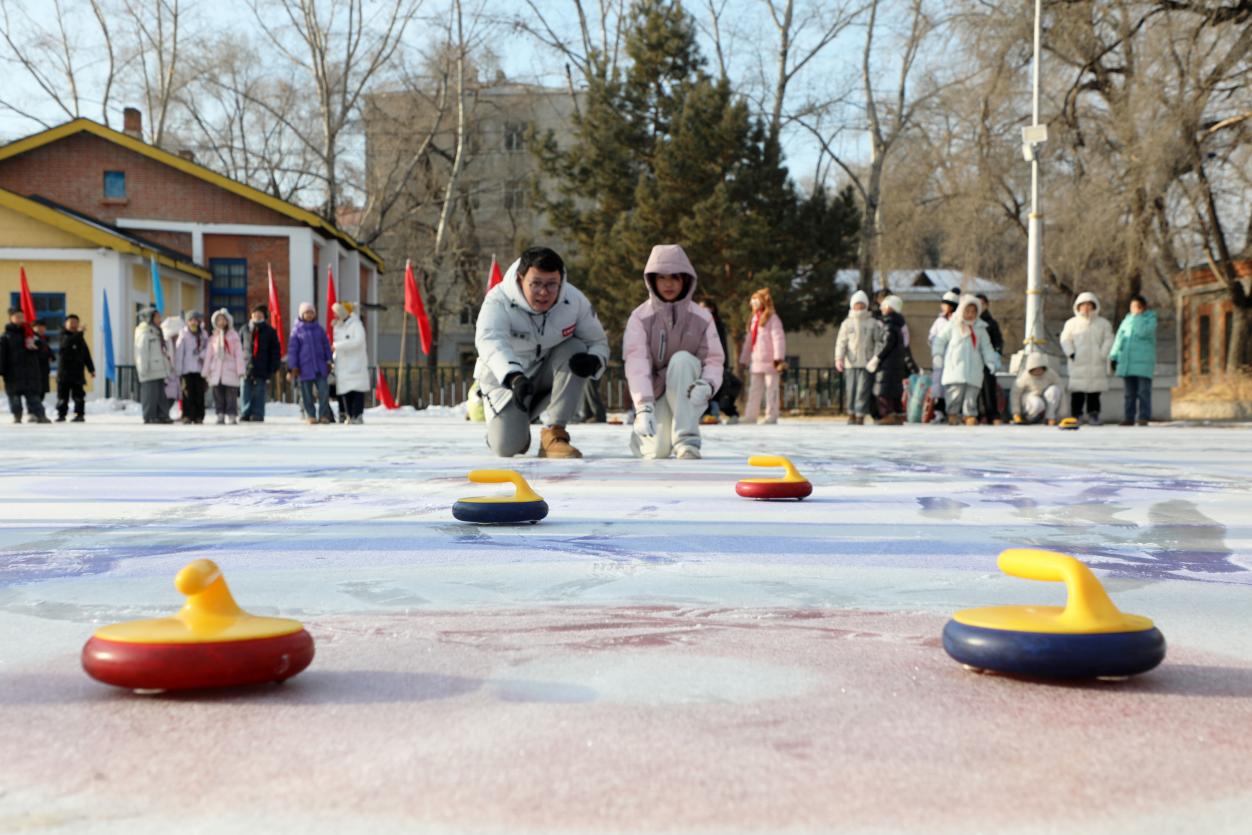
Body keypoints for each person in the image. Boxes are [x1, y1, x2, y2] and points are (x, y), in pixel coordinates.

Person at [474, 246, 609, 458]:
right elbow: (490, 342)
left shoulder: (574, 301)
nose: (544, 292)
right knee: (506, 448)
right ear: (520, 278)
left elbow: (597, 341)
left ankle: (554, 433)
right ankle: (514, 429)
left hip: (547, 375)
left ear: (561, 280)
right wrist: (514, 376)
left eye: (551, 285)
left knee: (576, 349)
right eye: (536, 284)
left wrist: (595, 361)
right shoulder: (497, 300)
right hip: (508, 382)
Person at [623, 244, 724, 459]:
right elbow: (636, 363)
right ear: (652, 280)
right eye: (662, 278)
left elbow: (714, 360)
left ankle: (687, 442)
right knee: (657, 451)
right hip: (656, 393)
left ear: (685, 280)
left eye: (675, 277)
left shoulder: (702, 317)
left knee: (682, 360)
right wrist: (643, 407)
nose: (668, 284)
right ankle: (642, 439)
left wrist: (708, 384)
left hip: (688, 390)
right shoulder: (640, 318)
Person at [932, 294, 1000, 426]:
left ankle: (970, 415)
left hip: (974, 368)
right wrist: (937, 355)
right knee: (955, 393)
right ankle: (952, 413)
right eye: (967, 311)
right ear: (961, 311)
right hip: (955, 366)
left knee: (972, 394)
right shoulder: (953, 325)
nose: (970, 315)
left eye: (973, 312)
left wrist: (990, 360)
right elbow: (939, 340)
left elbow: (986, 347)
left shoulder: (980, 329)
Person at [1059, 291, 1114, 425]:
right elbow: (1065, 339)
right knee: (1077, 392)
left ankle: (1093, 414)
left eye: (1089, 305)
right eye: (1083, 305)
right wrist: (1071, 353)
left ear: (1095, 306)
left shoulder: (1103, 323)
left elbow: (1109, 338)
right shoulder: (1071, 323)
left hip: (1097, 362)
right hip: (1078, 362)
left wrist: (1103, 353)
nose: (1086, 308)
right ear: (1077, 307)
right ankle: (1076, 415)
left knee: (1094, 392)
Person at [739, 288, 787, 424]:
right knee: (754, 390)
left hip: (771, 361)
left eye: (756, 301)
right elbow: (749, 342)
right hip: (756, 361)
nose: (753, 304)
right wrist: (744, 359)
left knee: (772, 389)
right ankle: (750, 415)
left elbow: (779, 339)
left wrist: (778, 358)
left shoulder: (772, 318)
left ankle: (771, 416)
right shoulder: (754, 320)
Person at [835, 290, 884, 425]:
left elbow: (878, 342)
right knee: (850, 390)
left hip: (866, 363)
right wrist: (839, 358)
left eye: (862, 304)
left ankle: (860, 414)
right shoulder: (847, 324)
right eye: (857, 304)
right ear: (852, 305)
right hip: (850, 363)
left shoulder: (873, 323)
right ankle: (851, 413)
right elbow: (841, 342)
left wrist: (875, 358)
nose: (860, 307)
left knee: (862, 390)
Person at [1110, 293, 1158, 426]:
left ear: (1142, 308)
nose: (1132, 309)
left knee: (1143, 392)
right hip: (1128, 362)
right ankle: (1128, 417)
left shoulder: (1150, 320)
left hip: (1143, 363)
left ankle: (1143, 416)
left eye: (1135, 306)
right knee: (1129, 393)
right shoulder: (1126, 321)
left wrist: (1137, 318)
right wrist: (1113, 356)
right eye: (1131, 306)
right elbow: (1119, 339)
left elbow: (1143, 332)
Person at [869, 294, 914, 425]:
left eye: (884, 306)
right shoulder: (898, 325)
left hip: (887, 365)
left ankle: (887, 415)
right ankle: (897, 414)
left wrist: (877, 358)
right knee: (893, 391)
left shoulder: (889, 325)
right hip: (894, 365)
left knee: (883, 392)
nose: (881, 308)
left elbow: (887, 344)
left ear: (890, 307)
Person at [1, 308, 50, 423]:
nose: (20, 319)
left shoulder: (30, 334)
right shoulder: (6, 337)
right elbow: (2, 355)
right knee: (14, 399)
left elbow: (42, 350)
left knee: (34, 398)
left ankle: (40, 416)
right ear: (11, 318)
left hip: (30, 373)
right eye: (17, 316)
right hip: (13, 374)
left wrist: (36, 343)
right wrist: (2, 370)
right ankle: (17, 416)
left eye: (22, 317)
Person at [288, 302, 334, 425]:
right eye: (306, 313)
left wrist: (329, 360)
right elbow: (293, 350)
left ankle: (324, 415)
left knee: (324, 391)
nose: (309, 315)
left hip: (320, 366)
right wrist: (293, 367)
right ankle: (310, 415)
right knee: (306, 394)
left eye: (311, 312)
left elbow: (326, 346)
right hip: (304, 368)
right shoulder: (296, 331)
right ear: (301, 314)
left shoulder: (319, 329)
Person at [698, 299, 740, 424]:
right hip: (701, 362)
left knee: (726, 387)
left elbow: (722, 346)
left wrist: (724, 363)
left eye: (706, 308)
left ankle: (726, 412)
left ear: (712, 309)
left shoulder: (718, 325)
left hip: (717, 362)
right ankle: (707, 413)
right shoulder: (697, 323)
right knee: (706, 389)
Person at [239, 304, 282, 422]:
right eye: (255, 313)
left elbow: (275, 350)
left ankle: (258, 413)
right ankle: (245, 412)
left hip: (262, 365)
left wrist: (274, 366)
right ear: (251, 315)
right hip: (246, 364)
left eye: (260, 314)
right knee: (245, 390)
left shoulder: (270, 331)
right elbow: (238, 347)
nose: (257, 315)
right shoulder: (244, 329)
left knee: (259, 391)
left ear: (264, 316)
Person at [204, 309, 245, 424]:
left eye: (223, 320)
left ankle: (232, 414)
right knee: (218, 394)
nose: (221, 322)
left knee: (231, 395)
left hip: (230, 369)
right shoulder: (213, 338)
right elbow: (209, 355)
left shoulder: (234, 336)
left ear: (228, 321)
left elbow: (238, 354)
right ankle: (220, 414)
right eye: (218, 320)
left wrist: (240, 370)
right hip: (216, 370)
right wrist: (206, 370)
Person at [332, 302, 370, 425]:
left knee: (357, 391)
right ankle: (348, 414)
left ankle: (357, 415)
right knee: (345, 392)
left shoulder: (356, 325)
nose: (334, 316)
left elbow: (358, 341)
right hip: (342, 366)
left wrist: (338, 346)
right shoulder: (338, 327)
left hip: (355, 364)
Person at [134, 307, 173, 424]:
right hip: (149, 369)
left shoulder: (157, 331)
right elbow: (141, 352)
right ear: (149, 318)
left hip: (159, 368)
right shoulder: (144, 333)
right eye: (156, 317)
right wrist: (142, 367)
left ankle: (162, 415)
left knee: (160, 395)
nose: (159, 319)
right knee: (150, 395)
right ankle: (149, 415)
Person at [927, 290, 961, 421]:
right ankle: (939, 411)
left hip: (953, 359)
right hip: (940, 359)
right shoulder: (939, 321)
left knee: (951, 386)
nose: (942, 307)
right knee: (938, 386)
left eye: (945, 304)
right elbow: (931, 337)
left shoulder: (957, 321)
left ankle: (952, 411)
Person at [55, 313, 94, 422]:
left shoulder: (80, 339)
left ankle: (79, 414)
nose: (73, 325)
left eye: (75, 323)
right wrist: (79, 333)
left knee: (79, 396)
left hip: (77, 373)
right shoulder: (63, 335)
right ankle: (61, 414)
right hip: (64, 373)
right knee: (62, 396)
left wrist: (91, 369)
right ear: (65, 324)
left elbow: (86, 355)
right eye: (71, 323)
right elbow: (66, 344)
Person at [173, 310, 209, 424]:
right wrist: (178, 370)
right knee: (187, 393)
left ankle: (199, 416)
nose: (193, 322)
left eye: (195, 320)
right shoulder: (183, 334)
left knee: (199, 393)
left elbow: (208, 349)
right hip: (186, 369)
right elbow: (179, 353)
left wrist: (201, 354)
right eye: (191, 320)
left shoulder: (203, 334)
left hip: (199, 368)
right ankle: (187, 415)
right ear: (187, 322)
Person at [1011, 352, 1065, 425]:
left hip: (1045, 399)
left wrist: (1062, 414)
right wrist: (1016, 413)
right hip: (1030, 399)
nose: (1038, 371)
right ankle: (1029, 418)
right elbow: (1015, 394)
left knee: (1054, 390)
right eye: (1035, 369)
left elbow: (1062, 390)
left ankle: (1050, 417)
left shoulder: (1051, 374)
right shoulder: (1024, 377)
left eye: (1040, 368)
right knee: (1037, 404)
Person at [976, 293, 1005, 424]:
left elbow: (998, 341)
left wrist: (997, 353)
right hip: (973, 359)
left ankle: (992, 414)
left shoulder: (991, 323)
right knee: (974, 389)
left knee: (989, 387)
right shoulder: (971, 322)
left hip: (988, 360)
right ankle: (975, 414)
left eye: (983, 304)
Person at [32, 320, 52, 405]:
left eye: (43, 327)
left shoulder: (44, 339)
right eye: (38, 327)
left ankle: (38, 412)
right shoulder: (32, 339)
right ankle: (34, 412)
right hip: (34, 370)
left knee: (42, 393)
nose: (41, 329)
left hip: (44, 370)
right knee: (35, 393)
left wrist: (51, 357)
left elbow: (48, 351)